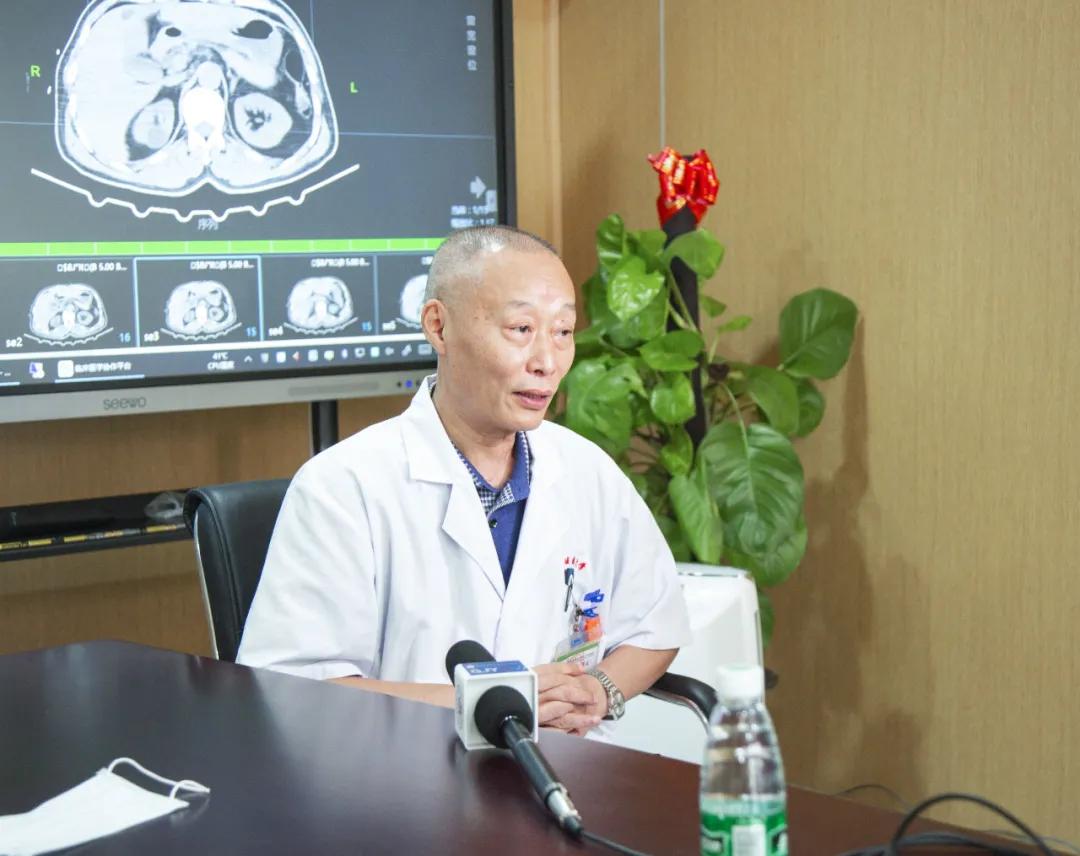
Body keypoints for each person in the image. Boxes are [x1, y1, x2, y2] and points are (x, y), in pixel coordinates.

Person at [237, 226, 691, 735]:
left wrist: (599, 690)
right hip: (402, 769)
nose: (546, 362)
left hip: (568, 764)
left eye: (563, 332)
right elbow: (293, 688)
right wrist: (491, 703)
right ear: (439, 326)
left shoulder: (586, 469)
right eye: (521, 328)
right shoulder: (343, 487)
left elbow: (656, 624)